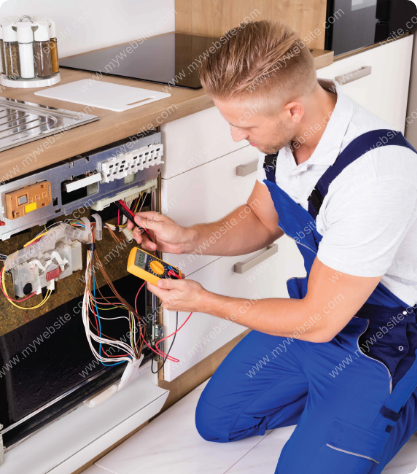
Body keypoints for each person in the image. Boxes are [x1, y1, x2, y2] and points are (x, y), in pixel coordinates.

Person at [127, 20, 417, 474]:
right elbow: (264, 218)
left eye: (243, 126)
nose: (235, 137)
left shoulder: (374, 179)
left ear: (293, 110)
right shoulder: (290, 136)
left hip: (383, 339)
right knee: (218, 421)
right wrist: (188, 238)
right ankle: (336, 406)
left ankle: (397, 400)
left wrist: (205, 302)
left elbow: (319, 322)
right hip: (322, 310)